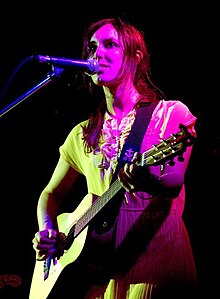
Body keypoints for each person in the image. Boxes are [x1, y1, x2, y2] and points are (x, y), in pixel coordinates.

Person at [30, 17, 198, 299]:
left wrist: (146, 178)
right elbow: (50, 193)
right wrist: (47, 230)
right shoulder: (82, 133)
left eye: (110, 44)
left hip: (159, 267)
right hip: (99, 276)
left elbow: (173, 182)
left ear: (135, 56)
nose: (97, 53)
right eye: (93, 47)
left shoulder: (170, 114)